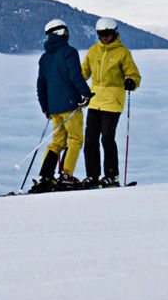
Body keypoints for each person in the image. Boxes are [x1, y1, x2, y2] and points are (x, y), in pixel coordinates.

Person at [32, 19, 93, 192]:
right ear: (61, 32)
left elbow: (41, 85)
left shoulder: (44, 58)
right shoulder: (69, 52)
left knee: (57, 142)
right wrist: (86, 94)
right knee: (75, 139)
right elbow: (76, 76)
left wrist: (45, 107)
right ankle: (66, 175)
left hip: (53, 108)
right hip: (70, 105)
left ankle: (46, 175)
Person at [81, 17, 141, 187]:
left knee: (107, 139)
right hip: (94, 101)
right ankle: (92, 176)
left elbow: (134, 75)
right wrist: (71, 84)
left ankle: (111, 175)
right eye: (101, 34)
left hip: (113, 102)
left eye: (107, 34)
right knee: (90, 140)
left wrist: (132, 82)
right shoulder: (93, 51)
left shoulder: (123, 53)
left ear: (114, 32)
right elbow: (83, 72)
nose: (104, 37)